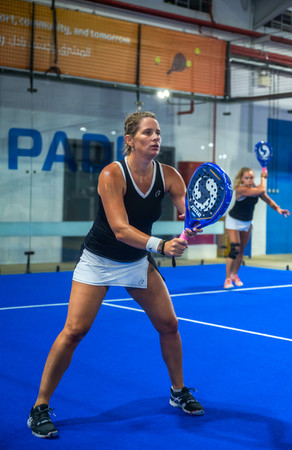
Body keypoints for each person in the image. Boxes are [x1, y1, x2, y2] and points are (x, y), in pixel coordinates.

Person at [27, 111, 204, 439]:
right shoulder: (112, 174)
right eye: (148, 133)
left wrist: (188, 220)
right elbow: (121, 229)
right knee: (74, 331)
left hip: (137, 260)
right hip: (99, 259)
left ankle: (178, 391)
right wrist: (162, 246)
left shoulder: (169, 176)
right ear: (129, 140)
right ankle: (39, 406)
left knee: (169, 325)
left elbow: (186, 208)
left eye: (158, 133)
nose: (156, 139)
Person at [223, 166, 291, 289]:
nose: (249, 180)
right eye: (246, 178)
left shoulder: (256, 189)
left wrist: (278, 209)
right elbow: (262, 190)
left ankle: (235, 275)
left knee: (241, 250)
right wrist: (263, 178)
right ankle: (227, 278)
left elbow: (268, 200)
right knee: (235, 248)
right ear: (241, 179)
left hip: (247, 222)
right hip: (233, 221)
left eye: (251, 177)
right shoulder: (240, 189)